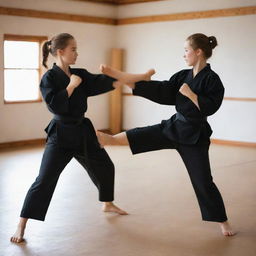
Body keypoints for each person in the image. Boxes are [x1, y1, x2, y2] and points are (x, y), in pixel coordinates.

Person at [10, 33, 155, 243]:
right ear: (60, 52)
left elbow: (107, 82)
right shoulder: (49, 78)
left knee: (105, 166)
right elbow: (55, 105)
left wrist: (136, 77)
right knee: (44, 180)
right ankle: (21, 224)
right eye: (73, 49)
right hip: (60, 134)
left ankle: (107, 202)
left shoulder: (80, 74)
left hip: (82, 131)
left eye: (76, 49)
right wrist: (71, 85)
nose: (77, 53)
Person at [97, 33, 235, 236]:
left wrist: (191, 94)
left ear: (198, 52)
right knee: (146, 134)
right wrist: (137, 84)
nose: (184, 55)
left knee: (203, 180)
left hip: (195, 135)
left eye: (186, 50)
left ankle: (223, 222)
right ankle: (110, 138)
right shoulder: (183, 75)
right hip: (175, 126)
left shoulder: (212, 80)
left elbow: (210, 107)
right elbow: (165, 92)